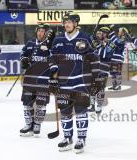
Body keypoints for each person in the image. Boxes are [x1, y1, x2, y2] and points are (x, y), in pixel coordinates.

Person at [51, 13, 99, 154]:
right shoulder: (58, 40)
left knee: (80, 110)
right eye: (65, 22)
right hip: (64, 82)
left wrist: (95, 77)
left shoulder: (84, 37)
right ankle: (67, 138)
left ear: (76, 24)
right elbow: (53, 58)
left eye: (69, 22)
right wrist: (53, 74)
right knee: (65, 111)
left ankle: (81, 139)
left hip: (81, 80)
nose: (67, 24)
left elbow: (93, 57)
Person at [19, 23, 55, 137]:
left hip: (43, 80)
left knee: (41, 104)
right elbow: (22, 53)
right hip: (29, 79)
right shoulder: (30, 43)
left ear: (46, 33)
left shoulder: (50, 45)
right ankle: (29, 124)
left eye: (43, 31)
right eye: (39, 31)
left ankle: (37, 124)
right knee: (27, 103)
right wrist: (23, 60)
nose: (41, 33)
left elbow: (54, 59)